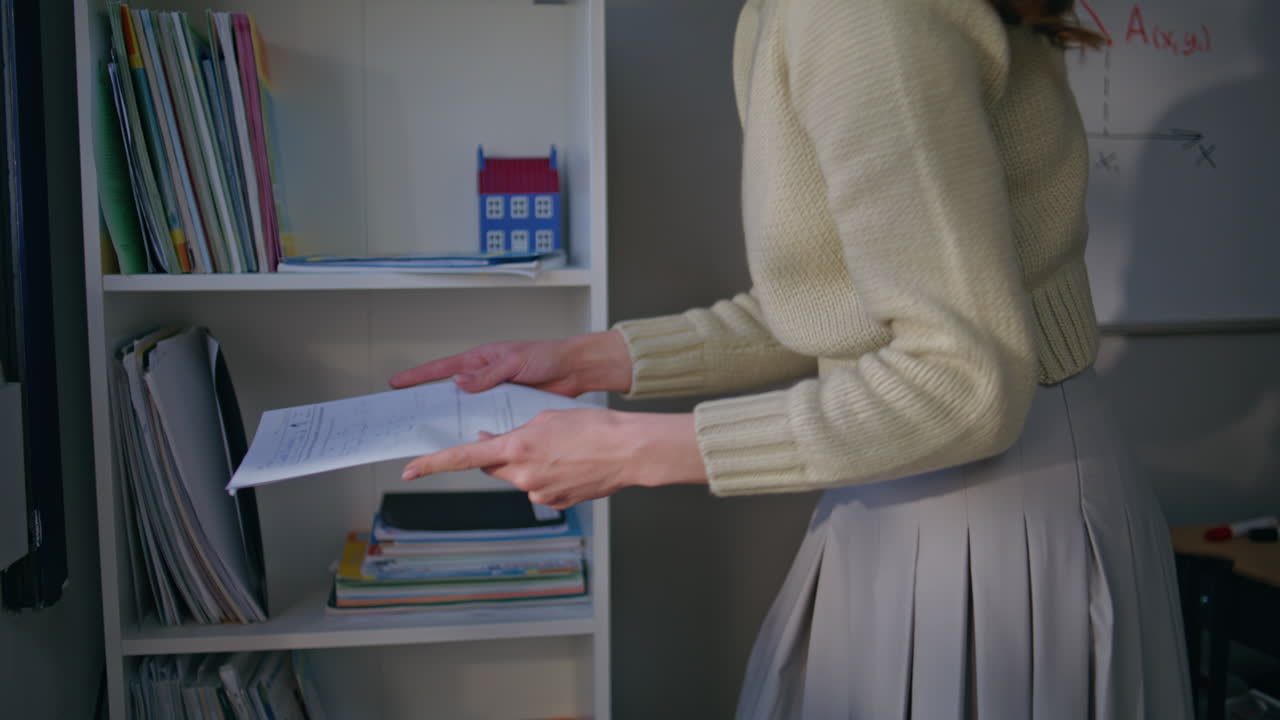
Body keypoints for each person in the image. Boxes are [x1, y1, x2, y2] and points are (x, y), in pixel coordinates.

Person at [391, 0, 1194, 716]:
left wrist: (632, 450)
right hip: (926, 481)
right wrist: (589, 361)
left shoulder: (856, 17)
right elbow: (841, 304)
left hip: (982, 513)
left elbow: (961, 382)